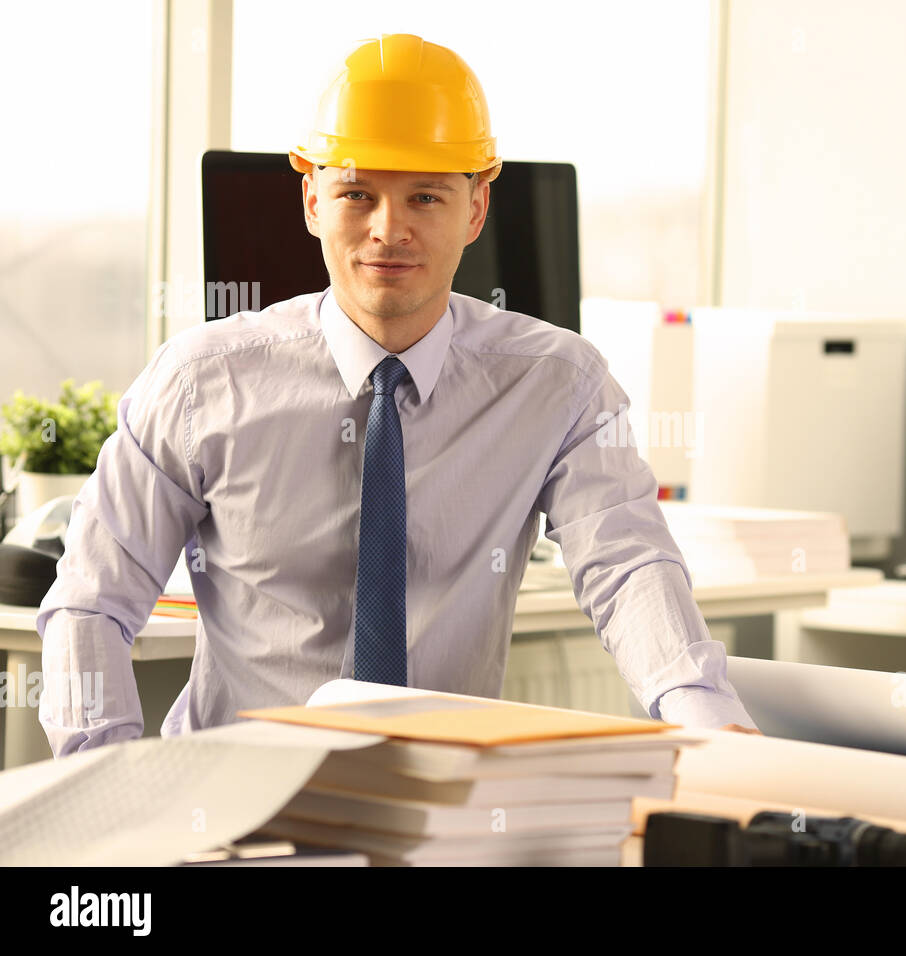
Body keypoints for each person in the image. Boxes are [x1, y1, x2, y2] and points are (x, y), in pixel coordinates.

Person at [37, 33, 759, 755]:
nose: (389, 230)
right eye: (357, 193)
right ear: (312, 199)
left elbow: (628, 567)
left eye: (425, 196)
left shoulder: (560, 384)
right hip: (237, 805)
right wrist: (103, 781)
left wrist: (713, 732)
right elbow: (90, 602)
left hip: (442, 797)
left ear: (476, 209)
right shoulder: (199, 381)